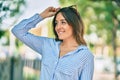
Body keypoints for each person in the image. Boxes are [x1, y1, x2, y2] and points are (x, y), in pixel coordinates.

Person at [12, 5, 94, 80]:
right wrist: (41, 16)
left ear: (74, 24)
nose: (58, 27)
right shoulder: (47, 45)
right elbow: (18, 31)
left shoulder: (86, 56)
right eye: (56, 23)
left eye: (63, 22)